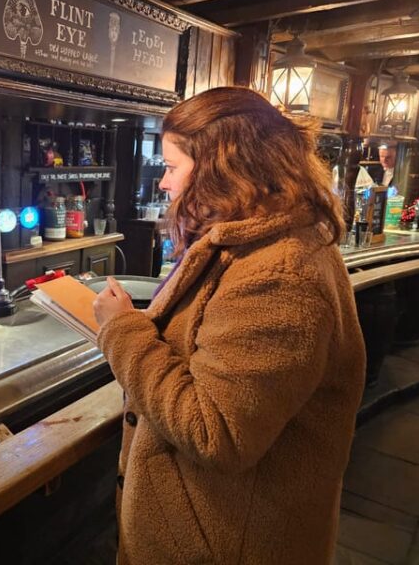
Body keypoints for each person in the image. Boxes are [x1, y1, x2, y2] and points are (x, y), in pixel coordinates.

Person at [93, 87, 366, 564]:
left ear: (222, 169)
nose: (164, 184)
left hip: (224, 544)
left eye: (172, 167)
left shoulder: (278, 274)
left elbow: (215, 432)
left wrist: (121, 331)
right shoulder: (260, 247)